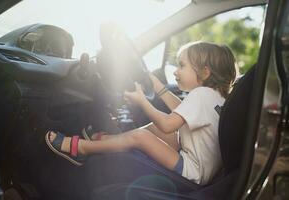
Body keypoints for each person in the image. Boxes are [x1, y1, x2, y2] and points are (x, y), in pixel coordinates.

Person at [45, 41, 236, 185]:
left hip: (192, 171)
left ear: (205, 72)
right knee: (156, 130)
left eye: (182, 65)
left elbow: (168, 124)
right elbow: (180, 110)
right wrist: (155, 83)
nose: (176, 71)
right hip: (205, 170)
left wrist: (142, 101)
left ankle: (82, 149)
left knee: (141, 136)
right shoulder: (216, 98)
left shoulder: (200, 95)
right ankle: (107, 141)